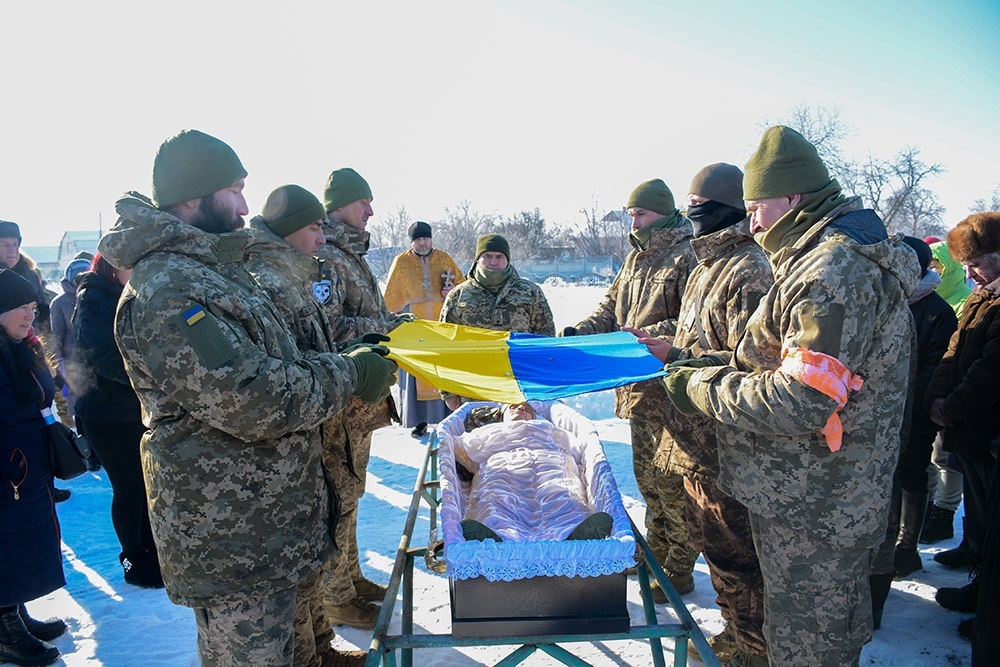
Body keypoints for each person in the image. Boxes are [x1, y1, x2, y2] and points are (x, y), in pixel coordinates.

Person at [96, 130, 396, 666]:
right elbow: (254, 398)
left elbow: (285, 359)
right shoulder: (170, 290)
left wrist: (345, 359)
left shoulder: (213, 270)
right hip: (232, 542)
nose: (244, 207)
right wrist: (349, 374)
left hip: (271, 523)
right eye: (234, 190)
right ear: (193, 197)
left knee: (301, 651)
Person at [663, 126, 919, 666]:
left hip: (818, 507)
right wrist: (706, 365)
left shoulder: (832, 272)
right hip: (802, 496)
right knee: (793, 642)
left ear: (794, 197)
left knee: (810, 651)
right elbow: (780, 363)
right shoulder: (814, 261)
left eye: (757, 208)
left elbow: (802, 399)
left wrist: (701, 387)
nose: (753, 223)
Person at [635, 163, 771, 664]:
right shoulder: (708, 263)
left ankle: (752, 650)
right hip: (694, 437)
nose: (692, 212)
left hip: (726, 444)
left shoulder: (750, 269)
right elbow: (698, 332)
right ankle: (735, 634)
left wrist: (675, 356)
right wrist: (659, 338)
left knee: (738, 558)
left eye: (699, 204)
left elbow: (750, 362)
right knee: (713, 547)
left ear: (728, 207)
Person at [247, 183, 368, 666]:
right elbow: (292, 369)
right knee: (298, 562)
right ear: (289, 228)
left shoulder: (294, 274)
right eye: (314, 227)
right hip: (295, 439)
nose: (321, 237)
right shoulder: (268, 282)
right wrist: (353, 367)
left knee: (314, 550)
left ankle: (321, 643)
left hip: (318, 429)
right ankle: (313, 651)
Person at [562, 178, 699, 601]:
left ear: (663, 212)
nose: (634, 222)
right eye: (631, 214)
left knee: (674, 488)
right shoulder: (635, 259)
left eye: (640, 213)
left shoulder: (688, 255)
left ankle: (679, 569)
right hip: (637, 392)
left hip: (672, 392)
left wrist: (636, 335)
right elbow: (609, 308)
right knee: (650, 484)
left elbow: (692, 322)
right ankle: (656, 555)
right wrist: (581, 333)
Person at [319, 167, 409, 630]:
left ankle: (350, 579)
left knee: (353, 492)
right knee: (339, 495)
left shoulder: (349, 254)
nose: (371, 211)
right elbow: (329, 328)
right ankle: (336, 598)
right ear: (338, 205)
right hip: (342, 397)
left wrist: (391, 323)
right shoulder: (326, 257)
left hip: (361, 401)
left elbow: (363, 316)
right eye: (363, 202)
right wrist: (387, 328)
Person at [925, 212, 1000, 634]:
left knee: (992, 522)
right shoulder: (981, 297)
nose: (968, 274)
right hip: (969, 430)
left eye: (975, 264)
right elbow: (953, 352)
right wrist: (936, 397)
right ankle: (978, 579)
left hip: (989, 432)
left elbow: (989, 374)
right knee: (979, 513)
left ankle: (988, 602)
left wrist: (949, 407)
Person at [72, 253, 163, 589]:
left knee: (144, 485)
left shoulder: (128, 294)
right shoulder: (93, 298)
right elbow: (103, 357)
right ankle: (133, 560)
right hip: (105, 413)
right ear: (111, 265)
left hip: (131, 409)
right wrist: (148, 378)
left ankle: (151, 552)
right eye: (129, 264)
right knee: (128, 488)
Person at [0, 269, 67, 667]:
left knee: (22, 545)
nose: (30, 315)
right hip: (8, 469)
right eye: (19, 308)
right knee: (4, 546)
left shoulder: (24, 346)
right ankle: (5, 630)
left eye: (31, 307)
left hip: (27, 468)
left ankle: (15, 611)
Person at [891, 237, 956, 578]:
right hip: (882, 410)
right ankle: (885, 541)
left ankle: (906, 548)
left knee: (911, 471)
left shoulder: (938, 312)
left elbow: (937, 366)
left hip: (915, 409)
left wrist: (904, 397)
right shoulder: (887, 299)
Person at [454, 402, 612, 543]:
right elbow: (462, 450)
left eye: (526, 409)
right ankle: (496, 534)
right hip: (503, 467)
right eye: (513, 407)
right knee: (496, 497)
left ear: (535, 416)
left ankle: (573, 531)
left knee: (562, 496)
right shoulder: (488, 431)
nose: (520, 409)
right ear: (503, 416)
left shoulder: (549, 429)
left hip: (549, 466)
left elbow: (576, 452)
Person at [440, 234, 555, 409]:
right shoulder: (458, 296)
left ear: (507, 259)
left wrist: (544, 385)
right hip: (473, 389)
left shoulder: (529, 292)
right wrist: (448, 392)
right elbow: (445, 345)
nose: (493, 262)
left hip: (520, 387)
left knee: (519, 427)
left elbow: (545, 338)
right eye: (487, 256)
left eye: (499, 256)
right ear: (477, 259)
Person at [383, 221, 464, 427]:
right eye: (418, 239)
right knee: (416, 373)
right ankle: (415, 421)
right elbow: (389, 302)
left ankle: (447, 419)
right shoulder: (401, 263)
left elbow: (464, 288)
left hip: (441, 329)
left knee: (442, 371)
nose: (423, 243)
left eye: (426, 238)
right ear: (412, 241)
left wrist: (453, 291)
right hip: (414, 330)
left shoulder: (444, 259)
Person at [921, 239, 973, 546]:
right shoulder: (924, 298)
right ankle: (929, 508)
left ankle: (944, 512)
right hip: (930, 387)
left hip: (953, 390)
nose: (934, 272)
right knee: (927, 456)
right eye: (930, 266)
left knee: (946, 457)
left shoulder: (965, 301)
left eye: (938, 266)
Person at [47, 256, 90, 428]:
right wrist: (56, 366)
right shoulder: (59, 303)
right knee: (76, 399)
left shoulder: (94, 296)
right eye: (80, 274)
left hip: (95, 357)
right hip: (72, 361)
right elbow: (56, 335)